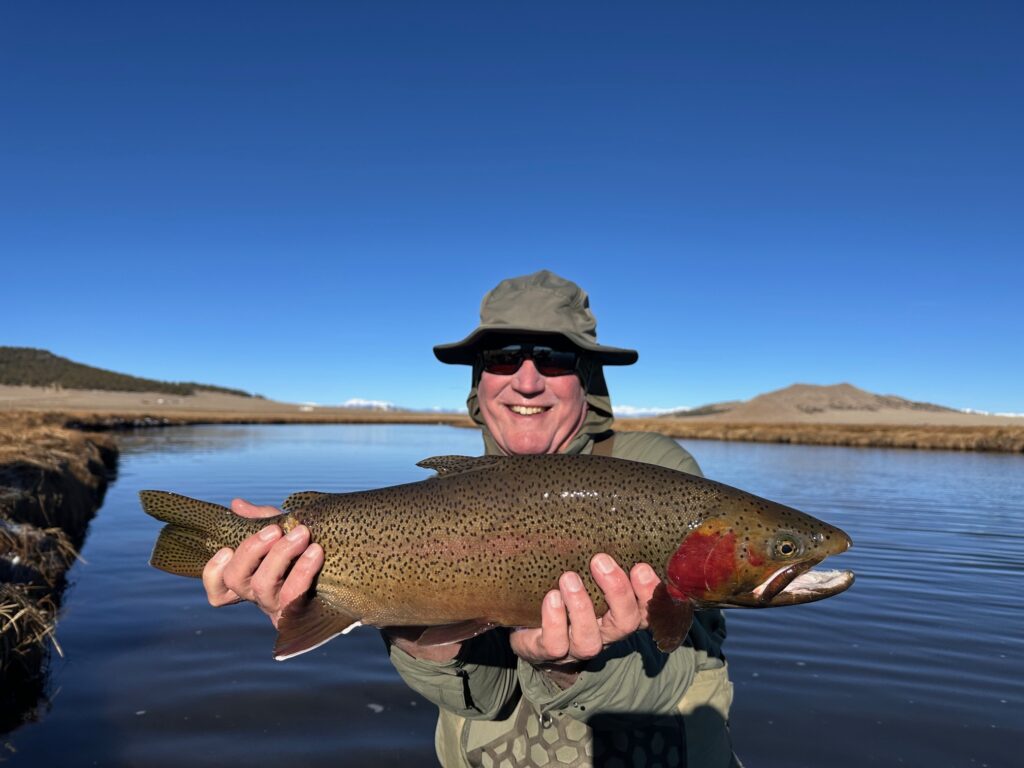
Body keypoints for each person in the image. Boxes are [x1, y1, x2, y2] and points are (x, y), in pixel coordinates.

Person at [202, 270, 739, 767]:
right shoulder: (445, 501)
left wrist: (569, 665)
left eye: (555, 359)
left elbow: (682, 671)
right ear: (479, 382)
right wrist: (332, 596)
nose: (527, 382)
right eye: (504, 358)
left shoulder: (656, 474)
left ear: (587, 378)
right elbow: (484, 698)